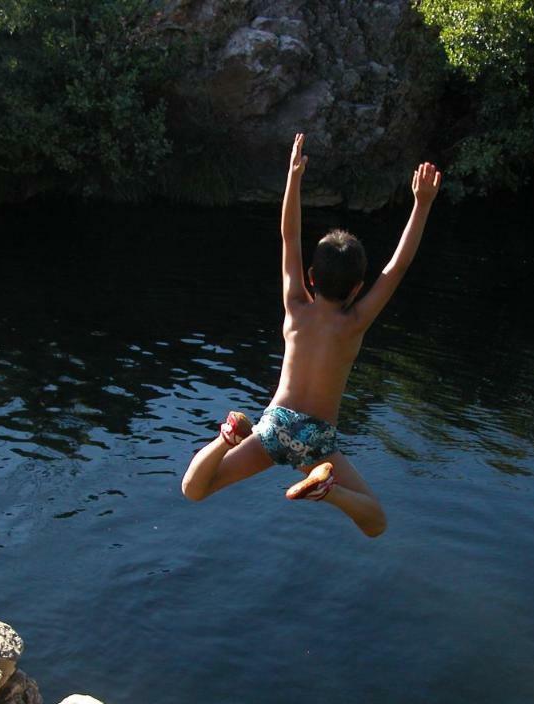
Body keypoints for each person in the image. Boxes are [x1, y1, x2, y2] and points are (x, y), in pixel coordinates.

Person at [180, 133, 441, 537]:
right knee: (375, 522)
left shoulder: (296, 308)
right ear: (357, 288)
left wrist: (294, 177)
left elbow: (290, 238)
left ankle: (226, 437)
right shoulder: (355, 322)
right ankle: (329, 490)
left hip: (274, 425)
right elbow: (397, 267)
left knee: (195, 490)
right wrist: (422, 204)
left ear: (311, 277)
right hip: (317, 439)